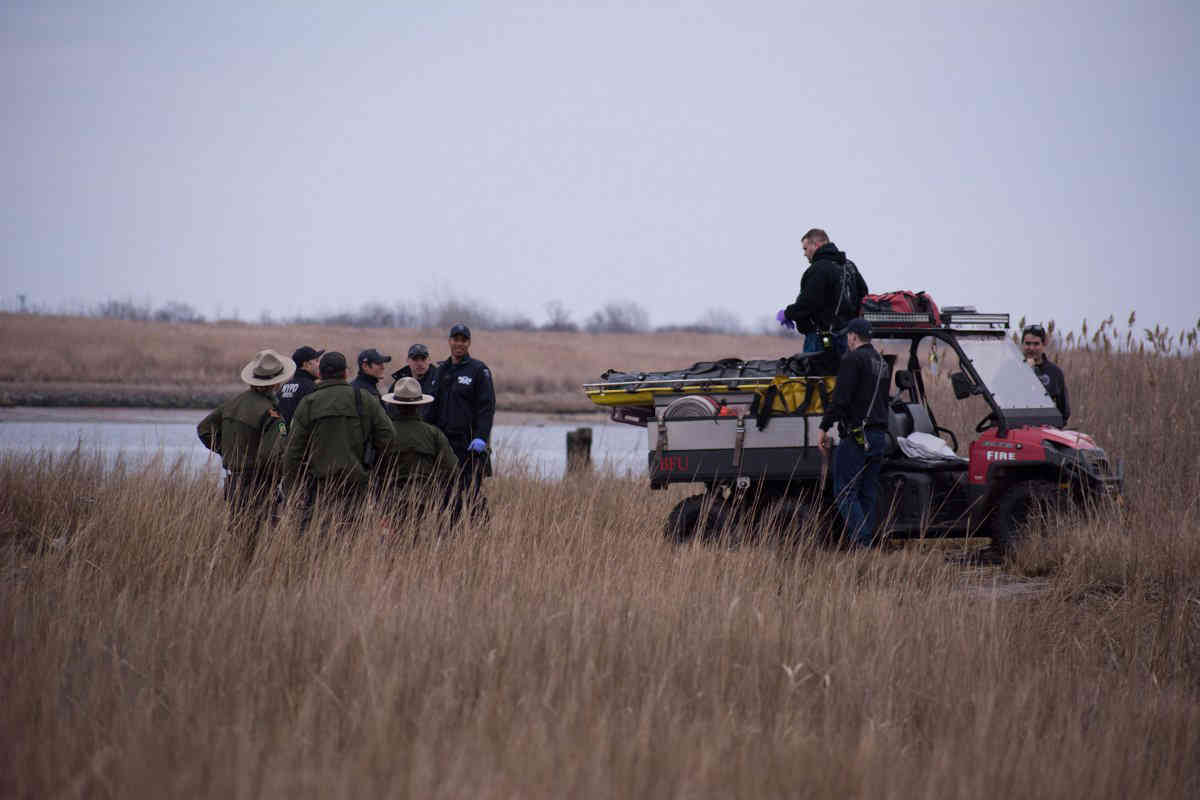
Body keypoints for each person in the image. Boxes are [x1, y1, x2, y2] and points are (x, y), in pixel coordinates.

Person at [197, 349, 295, 558]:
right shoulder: (271, 414)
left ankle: (236, 577)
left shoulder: (232, 403)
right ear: (276, 383)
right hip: (259, 485)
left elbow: (204, 430)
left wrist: (228, 452)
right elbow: (271, 458)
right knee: (261, 543)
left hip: (234, 483)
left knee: (239, 537)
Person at [284, 351, 395, 531]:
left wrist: (293, 489)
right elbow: (388, 437)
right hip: (357, 487)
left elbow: (293, 450)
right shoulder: (364, 399)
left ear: (321, 374)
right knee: (353, 543)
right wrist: (374, 467)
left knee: (317, 543)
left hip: (319, 488)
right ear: (345, 373)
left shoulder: (309, 403)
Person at [817, 319, 890, 548]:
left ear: (853, 336)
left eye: (848, 336)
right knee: (867, 493)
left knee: (845, 492)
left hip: (858, 436)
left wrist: (823, 427)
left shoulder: (852, 359)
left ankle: (862, 542)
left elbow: (841, 400)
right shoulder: (881, 362)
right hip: (878, 436)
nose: (847, 339)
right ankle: (867, 545)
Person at [428, 324, 495, 524]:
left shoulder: (478, 370)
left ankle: (481, 533)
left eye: (463, 340)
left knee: (471, 494)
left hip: (468, 445)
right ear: (449, 341)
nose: (459, 343)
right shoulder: (441, 370)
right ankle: (448, 535)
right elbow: (432, 406)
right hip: (443, 443)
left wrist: (481, 437)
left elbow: (486, 408)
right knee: (445, 495)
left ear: (469, 343)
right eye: (455, 339)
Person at [778, 228, 869, 356]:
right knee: (843, 375)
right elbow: (864, 295)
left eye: (805, 249)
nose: (804, 254)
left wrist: (787, 314)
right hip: (849, 339)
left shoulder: (819, 269)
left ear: (816, 245)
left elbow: (808, 303)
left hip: (821, 339)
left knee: (816, 375)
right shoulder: (849, 266)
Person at [377, 376, 459, 508]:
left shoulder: (384, 433)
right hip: (426, 500)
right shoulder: (433, 434)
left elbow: (375, 468)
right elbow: (451, 468)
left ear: (395, 405)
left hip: (390, 501)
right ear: (420, 405)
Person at [1022, 324, 1070, 425]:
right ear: (1022, 344)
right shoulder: (1010, 369)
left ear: (1044, 344)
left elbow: (1064, 411)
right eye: (1027, 343)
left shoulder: (1054, 372)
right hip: (1015, 428)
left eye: (1036, 344)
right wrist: (1026, 371)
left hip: (1043, 429)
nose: (1031, 348)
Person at [386, 343, 438, 423]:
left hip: (431, 431)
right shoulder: (400, 383)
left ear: (429, 360)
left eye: (423, 359)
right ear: (408, 360)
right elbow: (390, 409)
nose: (419, 363)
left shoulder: (438, 381)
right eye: (415, 359)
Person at [276, 345, 323, 425]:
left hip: (282, 434)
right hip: (302, 436)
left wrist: (283, 434)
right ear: (306, 365)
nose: (319, 364)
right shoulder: (311, 388)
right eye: (316, 361)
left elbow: (278, 420)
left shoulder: (283, 387)